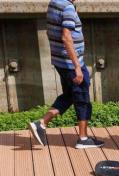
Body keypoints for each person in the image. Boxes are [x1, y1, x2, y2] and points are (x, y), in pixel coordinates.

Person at [29, 0, 103, 149]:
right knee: (82, 99)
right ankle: (83, 138)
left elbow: (49, 30)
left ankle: (42, 123)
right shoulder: (68, 7)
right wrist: (77, 66)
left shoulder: (54, 3)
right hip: (71, 64)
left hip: (60, 61)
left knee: (70, 95)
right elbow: (66, 37)